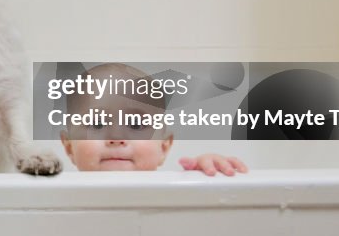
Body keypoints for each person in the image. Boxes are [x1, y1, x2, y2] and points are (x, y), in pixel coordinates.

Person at [59, 63, 248, 176]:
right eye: (97, 124)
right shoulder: (52, 198)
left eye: (135, 124)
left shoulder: (174, 193)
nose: (116, 137)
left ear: (164, 148)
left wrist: (205, 175)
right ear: (69, 148)